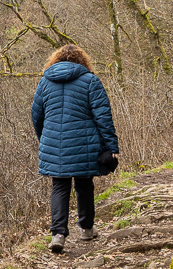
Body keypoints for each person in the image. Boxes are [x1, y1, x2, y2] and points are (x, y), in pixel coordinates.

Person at [31, 44, 120, 254]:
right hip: (85, 143)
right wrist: (111, 146)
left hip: (54, 143)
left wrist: (45, 138)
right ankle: (87, 229)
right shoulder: (90, 81)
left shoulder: (45, 83)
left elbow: (36, 116)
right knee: (84, 184)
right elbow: (103, 117)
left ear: (55, 61)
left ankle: (58, 235)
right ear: (82, 61)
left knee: (59, 186)